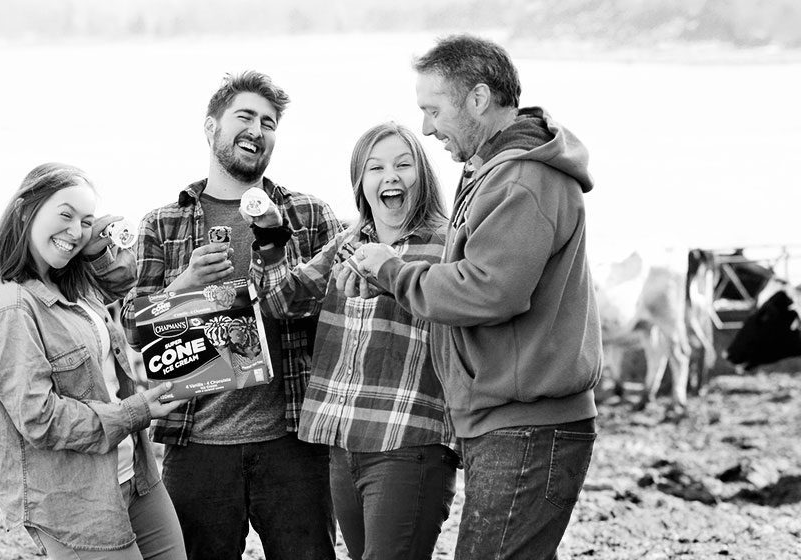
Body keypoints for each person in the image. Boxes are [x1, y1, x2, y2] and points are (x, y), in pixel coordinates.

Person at [341, 35, 601, 559]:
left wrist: (394, 271)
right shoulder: (498, 171)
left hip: (528, 424)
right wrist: (395, 273)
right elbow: (479, 274)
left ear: (478, 99)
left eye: (433, 110)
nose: (426, 128)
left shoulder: (523, 178)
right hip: (511, 420)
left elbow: (489, 291)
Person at [125, 70, 341, 560]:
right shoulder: (164, 221)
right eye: (244, 116)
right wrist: (184, 287)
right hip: (196, 443)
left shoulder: (308, 214)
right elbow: (133, 332)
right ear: (210, 128)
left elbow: (335, 318)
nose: (257, 130)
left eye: (268, 122)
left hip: (293, 439)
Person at [245, 122, 458, 560]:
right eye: (375, 167)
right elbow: (282, 300)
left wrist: (393, 280)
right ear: (361, 182)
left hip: (409, 441)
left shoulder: (450, 244)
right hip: (342, 442)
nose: (390, 177)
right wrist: (269, 234)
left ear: (424, 175)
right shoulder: (348, 241)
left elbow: (473, 319)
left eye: (403, 164)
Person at [0, 162, 188, 560]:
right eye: (65, 215)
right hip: (75, 500)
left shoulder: (68, 280)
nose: (75, 231)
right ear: (25, 210)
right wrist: (134, 412)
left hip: (134, 474)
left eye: (86, 221)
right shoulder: (11, 307)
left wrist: (98, 238)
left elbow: (124, 281)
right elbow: (39, 418)